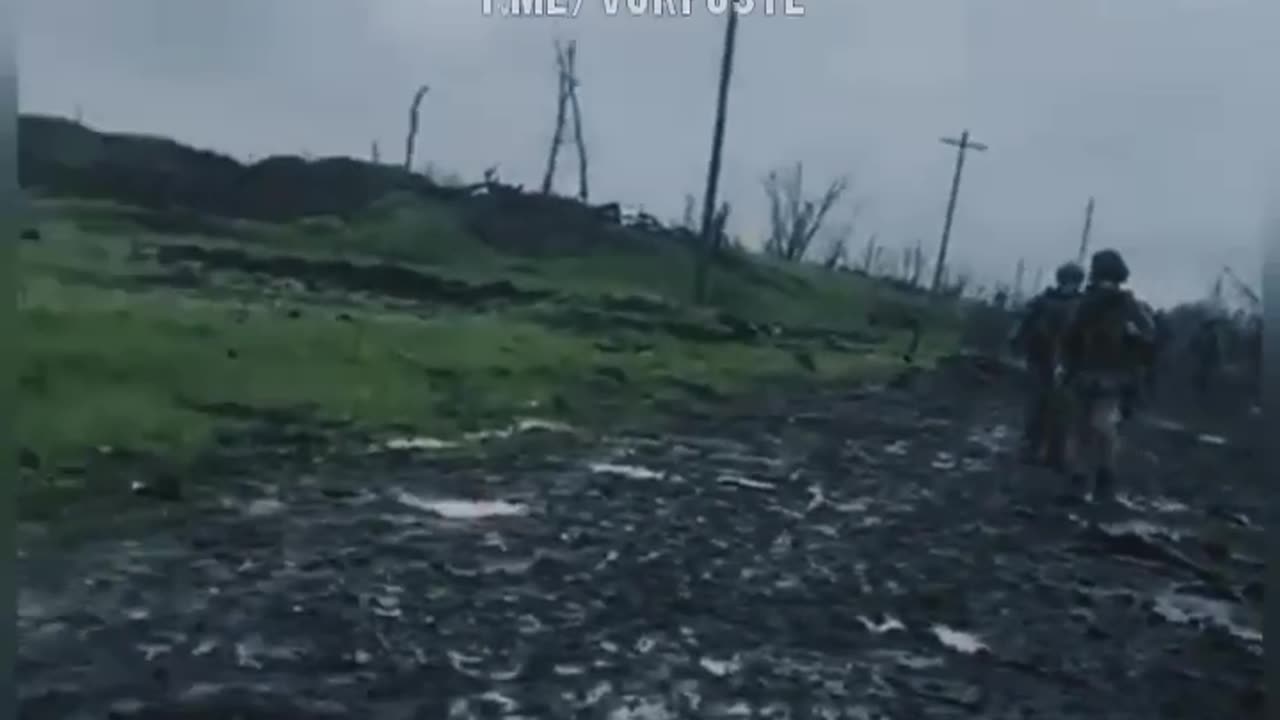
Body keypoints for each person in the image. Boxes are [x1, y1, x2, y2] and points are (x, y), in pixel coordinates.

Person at [1059, 249, 1156, 503]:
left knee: (1102, 425)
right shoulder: (1086, 303)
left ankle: (1105, 475)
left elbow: (1148, 337)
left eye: (1109, 279)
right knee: (1082, 427)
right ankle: (1079, 477)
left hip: (1114, 374)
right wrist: (1067, 364)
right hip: (1085, 372)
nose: (1105, 285)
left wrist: (1134, 339)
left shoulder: (1128, 306)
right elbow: (1070, 336)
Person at [1008, 261, 1084, 468]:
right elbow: (1024, 324)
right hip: (1040, 359)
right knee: (1037, 405)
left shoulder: (1083, 306)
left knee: (1063, 409)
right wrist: (1017, 344)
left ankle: (1056, 454)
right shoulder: (1042, 301)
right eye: (1067, 281)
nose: (1070, 286)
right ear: (1060, 281)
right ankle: (1030, 447)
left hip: (1070, 365)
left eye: (1074, 282)